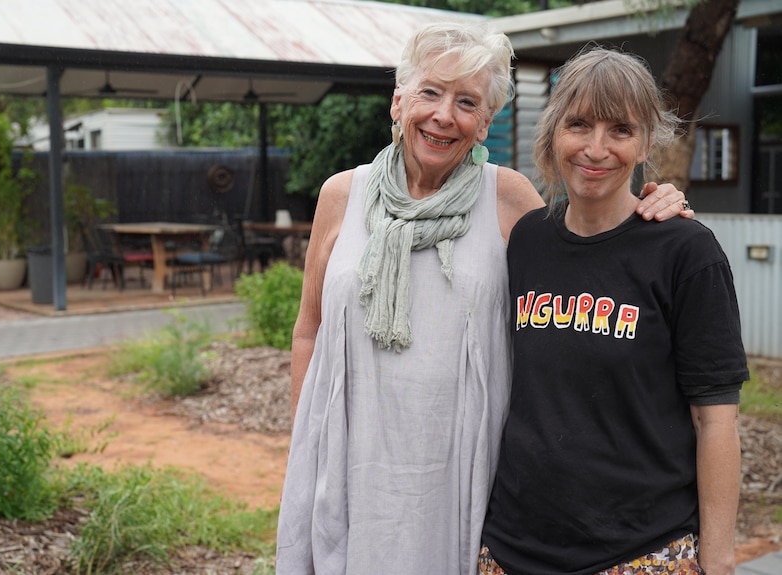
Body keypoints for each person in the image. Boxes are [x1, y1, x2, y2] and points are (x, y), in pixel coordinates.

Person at [276, 23, 689, 575]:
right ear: (398, 101)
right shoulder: (341, 195)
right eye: (430, 92)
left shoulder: (508, 198)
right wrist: (307, 448)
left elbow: (589, 254)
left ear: (486, 122)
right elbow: (310, 328)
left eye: (467, 102)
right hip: (352, 459)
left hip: (461, 470)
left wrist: (653, 207)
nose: (444, 115)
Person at [479, 47, 748, 575]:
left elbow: (716, 420)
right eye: (579, 124)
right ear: (554, 132)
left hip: (639, 552)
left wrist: (718, 559)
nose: (596, 148)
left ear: (646, 142)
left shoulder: (685, 252)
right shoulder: (528, 239)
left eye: (620, 130)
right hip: (512, 549)